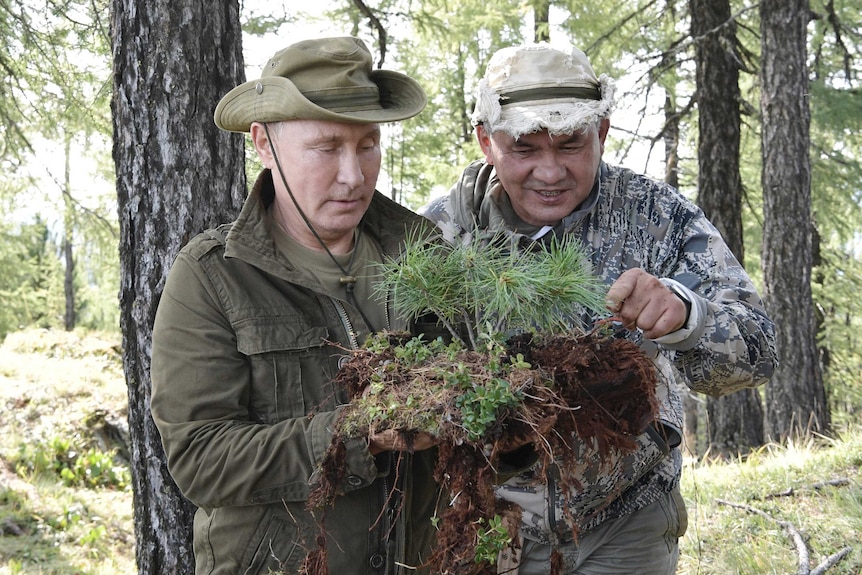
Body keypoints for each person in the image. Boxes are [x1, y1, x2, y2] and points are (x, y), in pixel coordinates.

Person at [422, 43, 778, 575]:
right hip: (487, 525)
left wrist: (686, 316)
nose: (550, 171)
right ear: (486, 142)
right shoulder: (441, 236)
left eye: (570, 145)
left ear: (603, 133)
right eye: (524, 149)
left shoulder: (656, 218)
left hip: (624, 522)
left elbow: (759, 352)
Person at [150, 36, 441, 575]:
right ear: (264, 143)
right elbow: (201, 459)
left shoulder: (424, 253)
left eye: (368, 145)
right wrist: (358, 433)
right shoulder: (215, 275)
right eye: (327, 148)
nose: (353, 176)